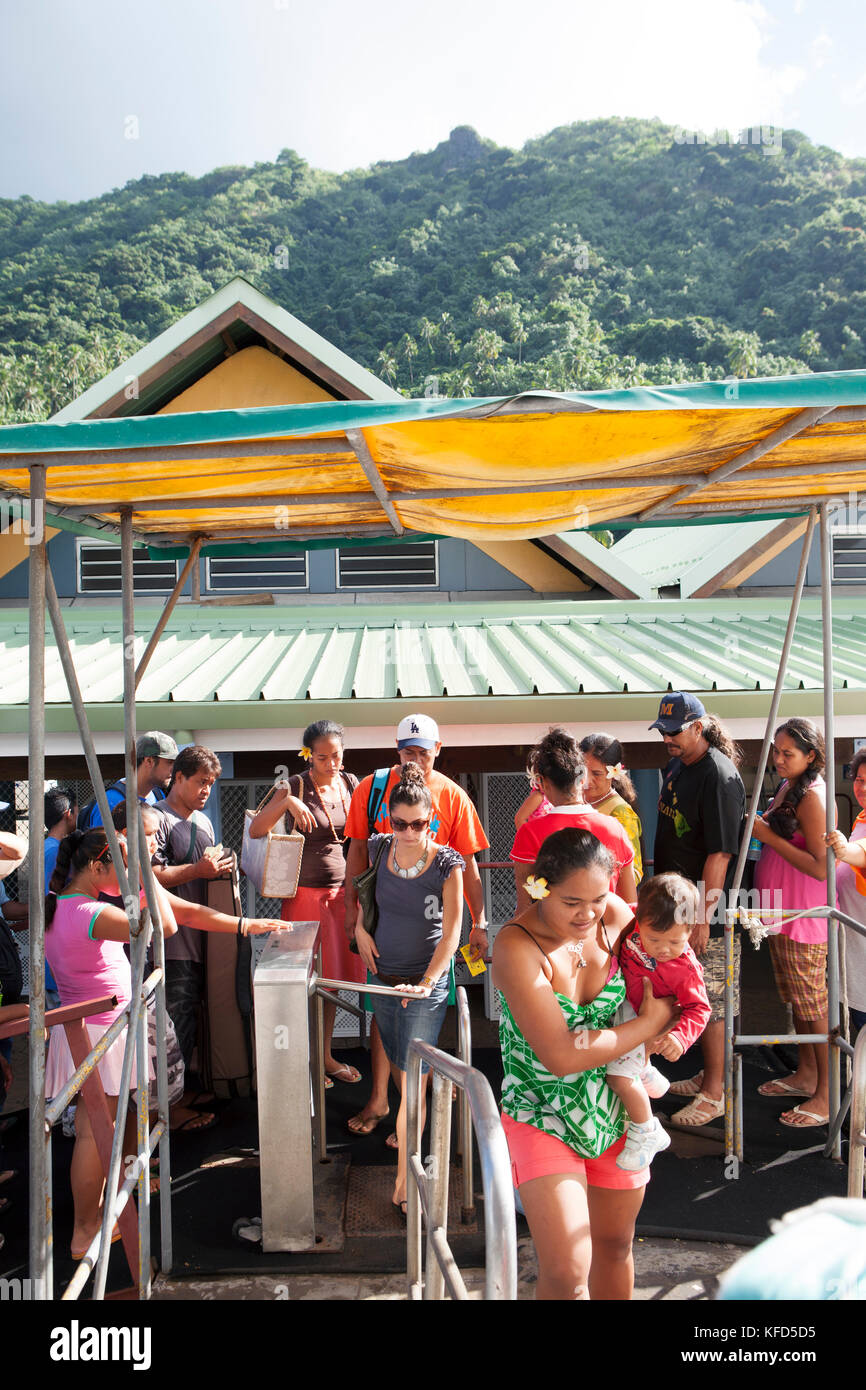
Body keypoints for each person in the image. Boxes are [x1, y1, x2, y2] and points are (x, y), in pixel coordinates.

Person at [493, 828, 679, 1300]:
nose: (588, 913)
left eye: (598, 898)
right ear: (539, 887)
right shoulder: (516, 947)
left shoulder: (616, 917)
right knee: (569, 1269)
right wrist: (646, 1025)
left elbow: (677, 968)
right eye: (572, 901)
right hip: (542, 1110)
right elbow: (559, 1056)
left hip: (616, 1106)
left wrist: (674, 1022)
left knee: (615, 1245)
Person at [342, 713, 488, 1138]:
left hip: (431, 936)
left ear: (438, 751)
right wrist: (355, 915)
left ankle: (415, 1108)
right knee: (382, 1013)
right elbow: (357, 854)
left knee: (422, 1019)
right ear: (397, 748)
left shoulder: (454, 797)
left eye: (424, 753)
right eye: (409, 751)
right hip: (382, 928)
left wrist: (480, 922)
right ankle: (381, 1099)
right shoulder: (371, 790)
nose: (417, 760)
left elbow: (471, 867)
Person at [44, 826, 179, 1258]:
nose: (121, 877)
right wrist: (145, 875)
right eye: (116, 868)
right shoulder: (89, 914)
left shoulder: (64, 906)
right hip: (100, 1031)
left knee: (98, 1129)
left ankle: (94, 1218)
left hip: (91, 1030)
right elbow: (167, 925)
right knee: (93, 1132)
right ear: (97, 866)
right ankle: (85, 1230)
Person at [110, 802, 284, 1131]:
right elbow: (171, 923)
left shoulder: (139, 875)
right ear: (120, 838)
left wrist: (245, 925)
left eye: (153, 835)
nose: (153, 843)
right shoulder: (119, 880)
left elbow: (187, 912)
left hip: (132, 985)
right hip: (116, 993)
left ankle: (141, 1150)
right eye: (146, 835)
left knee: (141, 1071)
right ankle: (133, 1161)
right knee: (126, 1080)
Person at [352, 764, 464, 1217]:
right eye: (401, 824)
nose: (410, 832)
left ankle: (403, 1184)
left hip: (424, 985)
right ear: (388, 821)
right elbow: (364, 897)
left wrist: (426, 983)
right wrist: (360, 930)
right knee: (402, 1068)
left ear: (431, 818)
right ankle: (414, 1155)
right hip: (382, 978)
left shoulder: (446, 862)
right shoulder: (379, 850)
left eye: (419, 823)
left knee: (412, 1083)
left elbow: (454, 929)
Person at [248, 719, 363, 1085]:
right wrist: (289, 801)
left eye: (337, 756)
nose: (331, 764)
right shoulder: (294, 784)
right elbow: (255, 829)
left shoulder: (351, 783)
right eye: (323, 757)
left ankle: (325, 1056)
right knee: (305, 981)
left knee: (331, 983)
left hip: (342, 895)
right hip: (304, 897)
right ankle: (304, 1060)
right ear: (308, 755)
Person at [650, 692, 745, 1127]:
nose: (666, 738)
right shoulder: (677, 766)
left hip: (706, 912)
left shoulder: (720, 776)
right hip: (675, 906)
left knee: (712, 1003)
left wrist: (704, 918)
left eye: (674, 731)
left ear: (697, 727)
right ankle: (709, 1073)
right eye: (662, 730)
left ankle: (715, 1094)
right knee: (690, 996)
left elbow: (720, 855)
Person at [151, 745, 234, 1129]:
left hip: (205, 942)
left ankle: (180, 1095)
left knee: (194, 1017)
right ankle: (166, 1111)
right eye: (201, 781)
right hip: (171, 943)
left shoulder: (204, 823)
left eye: (211, 784)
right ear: (178, 777)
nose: (206, 790)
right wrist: (199, 871)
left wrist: (222, 870)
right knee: (174, 1023)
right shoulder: (156, 819)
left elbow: (204, 871)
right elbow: (149, 877)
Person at [753, 718, 831, 1128]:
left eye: (788, 753)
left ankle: (828, 1092)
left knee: (813, 1004)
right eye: (777, 751)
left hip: (804, 916)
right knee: (798, 1002)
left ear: (811, 757)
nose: (779, 759)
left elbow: (821, 869)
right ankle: (807, 1074)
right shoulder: (789, 786)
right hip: (783, 915)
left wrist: (769, 838)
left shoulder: (813, 798)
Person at [605, 873, 710, 1170]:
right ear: (640, 920)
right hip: (628, 1007)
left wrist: (679, 1037)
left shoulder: (686, 969)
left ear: (690, 931)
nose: (663, 949)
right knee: (624, 1065)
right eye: (654, 939)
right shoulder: (636, 921)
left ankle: (646, 1130)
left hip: (646, 1019)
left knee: (618, 1078)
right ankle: (646, 1069)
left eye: (675, 941)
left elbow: (699, 1009)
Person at [511, 728, 636, 914]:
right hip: (604, 936)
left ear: (544, 783)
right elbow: (630, 905)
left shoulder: (530, 832)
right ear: (583, 777)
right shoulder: (614, 828)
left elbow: (524, 908)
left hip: (549, 938)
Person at [826, 748, 866, 1037]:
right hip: (855, 956)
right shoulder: (862, 819)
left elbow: (861, 853)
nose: (862, 787)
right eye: (859, 778)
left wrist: (842, 848)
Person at [579, 733, 644, 882]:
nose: (587, 779)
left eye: (596, 773)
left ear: (613, 773)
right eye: (582, 771)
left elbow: (635, 871)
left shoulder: (620, 812)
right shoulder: (575, 802)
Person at [81, 731, 178, 829]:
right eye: (169, 762)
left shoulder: (158, 795)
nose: (173, 769)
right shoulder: (111, 802)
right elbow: (101, 843)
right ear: (149, 761)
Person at [45, 787, 79, 1008]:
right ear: (68, 814)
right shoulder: (54, 852)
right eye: (77, 811)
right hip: (58, 956)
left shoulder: (46, 848)